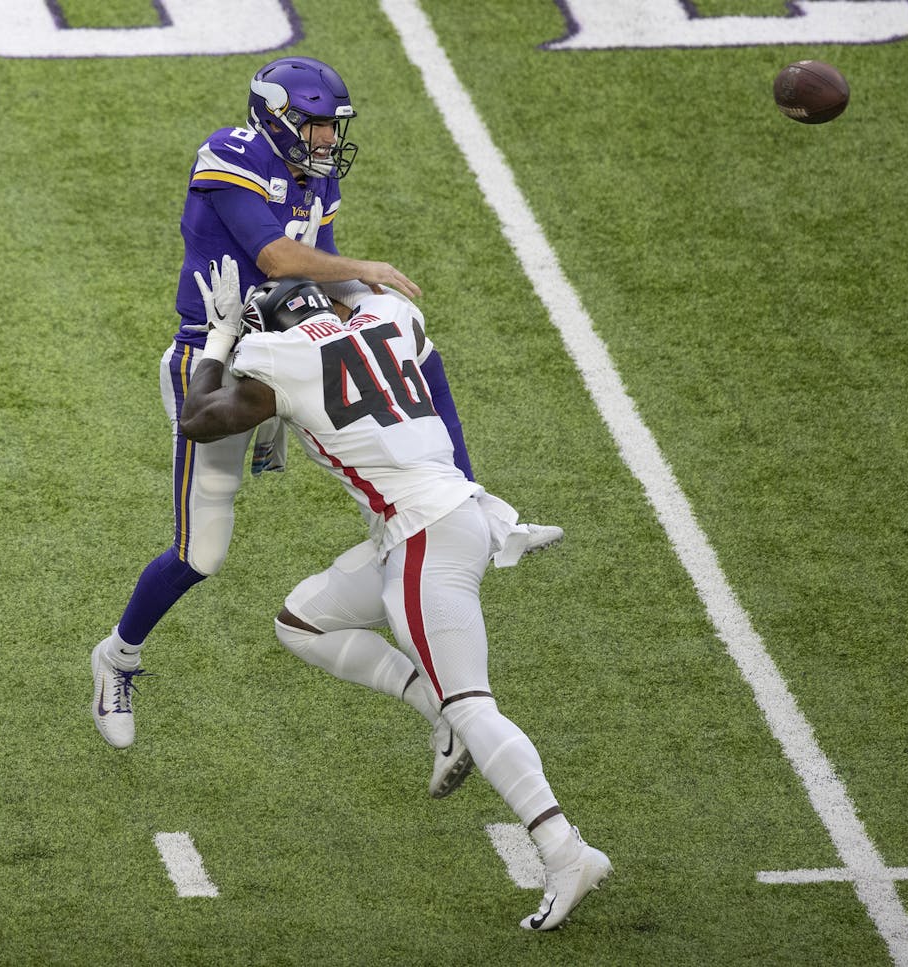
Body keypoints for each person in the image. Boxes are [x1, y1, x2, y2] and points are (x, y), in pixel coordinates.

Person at [91, 55, 561, 750]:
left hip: (296, 353)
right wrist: (363, 273)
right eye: (314, 126)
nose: (324, 141)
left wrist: (376, 308)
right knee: (202, 553)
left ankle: (469, 500)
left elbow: (325, 267)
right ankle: (117, 656)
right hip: (217, 360)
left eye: (329, 128)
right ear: (275, 117)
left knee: (404, 375)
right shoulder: (229, 154)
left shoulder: (318, 174)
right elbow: (278, 258)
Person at [175, 259, 611, 932]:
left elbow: (198, 419)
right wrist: (329, 273)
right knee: (302, 620)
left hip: (421, 538)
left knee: (475, 705)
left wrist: (220, 336)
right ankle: (438, 713)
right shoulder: (387, 317)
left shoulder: (279, 355)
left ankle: (564, 848)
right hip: (444, 516)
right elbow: (360, 295)